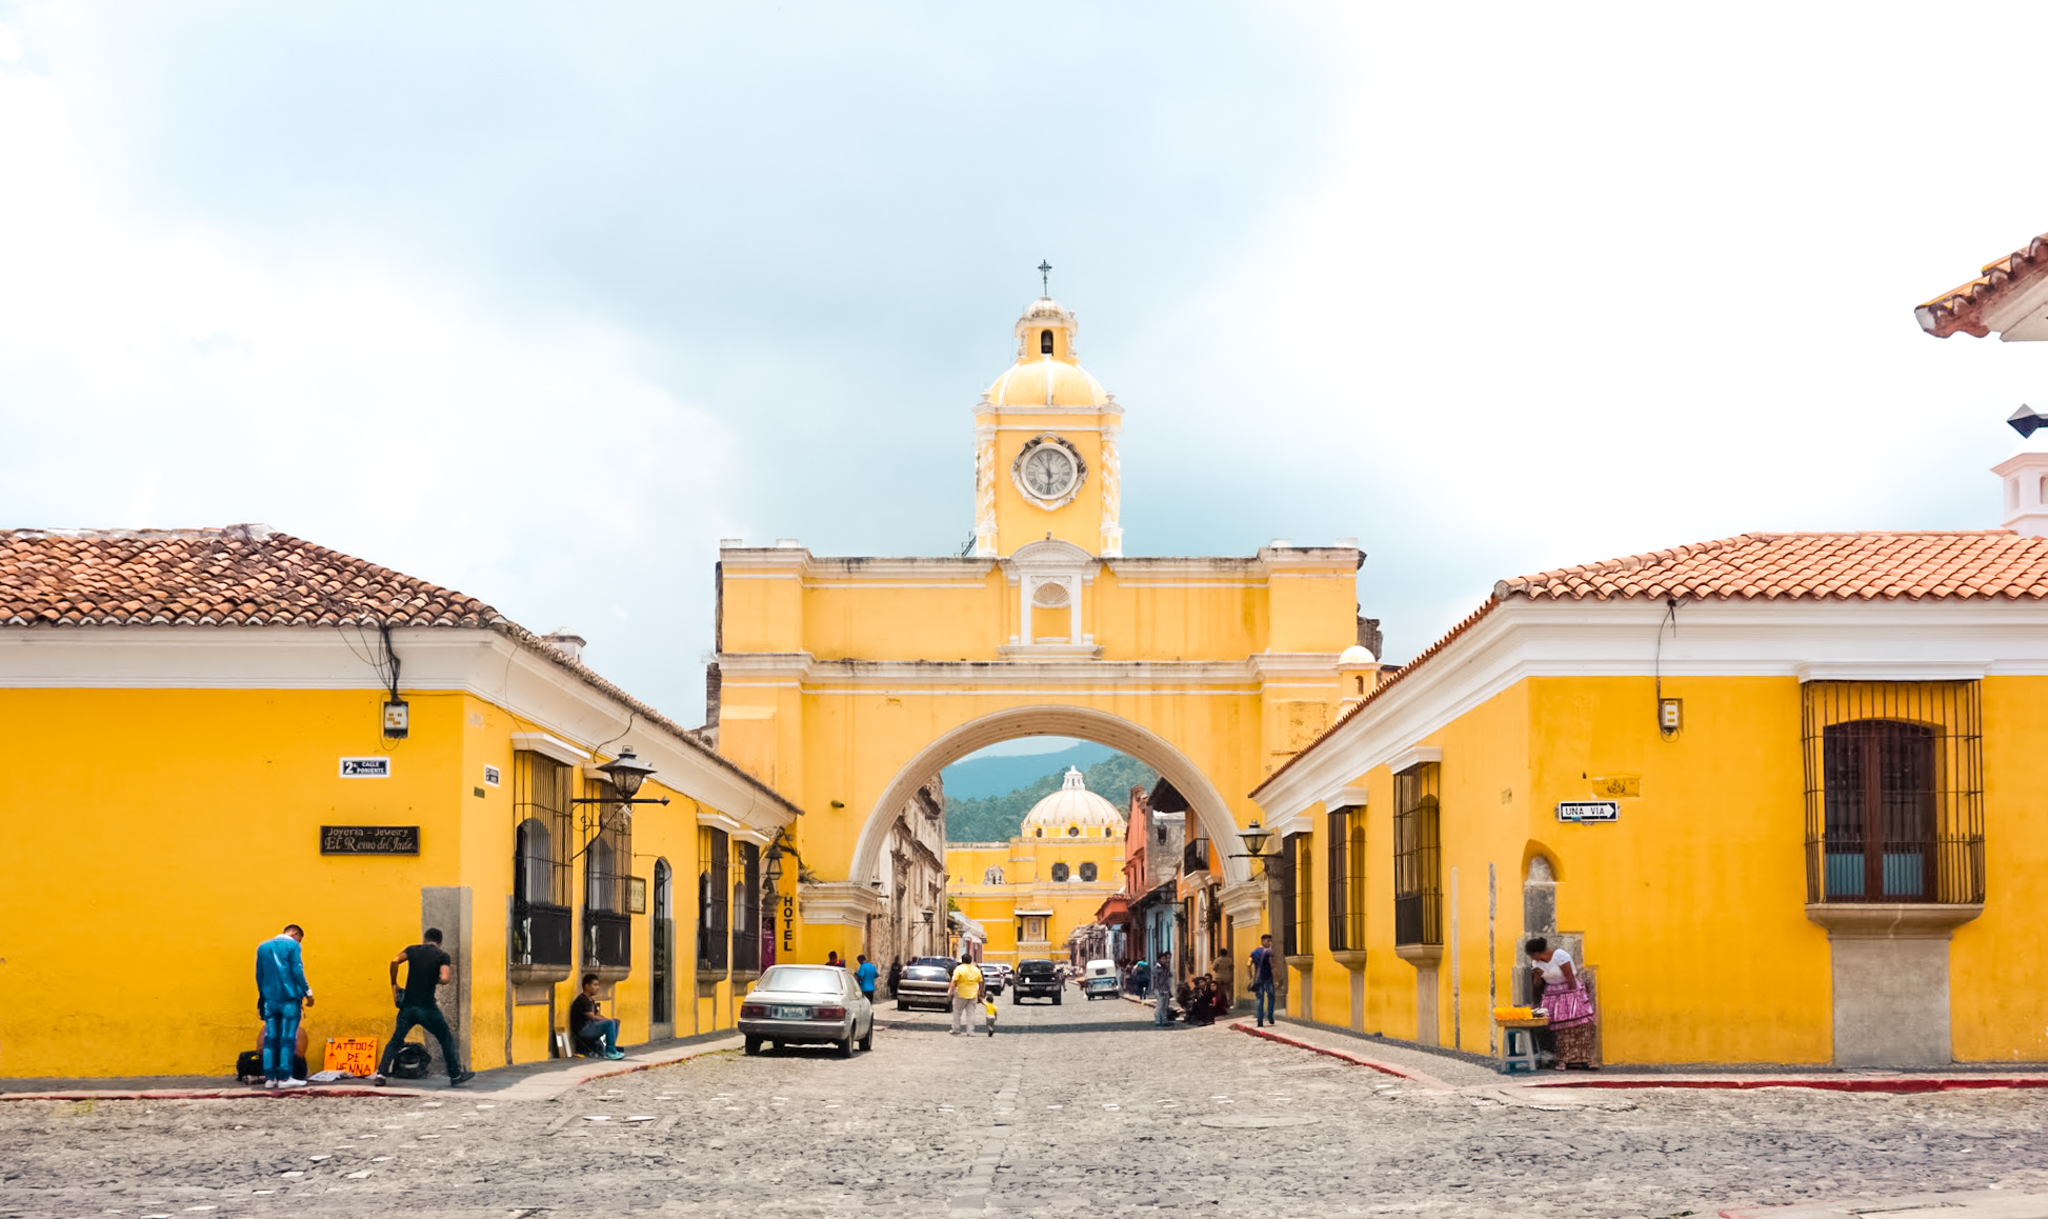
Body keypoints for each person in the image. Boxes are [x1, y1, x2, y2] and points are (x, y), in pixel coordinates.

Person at [375, 928, 473, 1087]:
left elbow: (394, 961)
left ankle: (381, 1074)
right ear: (440, 942)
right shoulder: (442, 956)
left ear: (424, 939)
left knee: (396, 1040)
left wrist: (394, 983)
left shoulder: (412, 949)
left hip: (407, 1008)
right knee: (445, 1038)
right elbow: (445, 978)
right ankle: (455, 1075)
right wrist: (437, 978)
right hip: (428, 1008)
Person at [254, 924, 314, 1090]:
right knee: (288, 1037)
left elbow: (259, 974)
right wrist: (308, 993)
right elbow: (297, 971)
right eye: (299, 939)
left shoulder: (263, 947)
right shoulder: (292, 945)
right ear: (295, 933)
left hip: (269, 1000)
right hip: (289, 998)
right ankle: (285, 1076)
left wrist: (262, 996)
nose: (299, 943)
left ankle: (270, 1077)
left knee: (270, 1037)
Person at [1527, 937, 1598, 1069]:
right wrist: (1537, 977)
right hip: (1552, 994)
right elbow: (1538, 985)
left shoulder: (1560, 955)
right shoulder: (1536, 964)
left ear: (1538, 952)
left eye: (1532, 954)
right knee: (1560, 1028)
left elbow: (1569, 976)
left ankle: (1586, 1058)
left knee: (1580, 1025)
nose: (1532, 958)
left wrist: (1571, 999)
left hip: (1569, 990)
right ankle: (1563, 1059)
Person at [569, 973, 625, 1060]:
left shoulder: (590, 1000)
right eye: (595, 985)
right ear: (587, 986)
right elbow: (592, 1016)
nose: (597, 987)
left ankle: (609, 1048)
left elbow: (597, 1014)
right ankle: (610, 1052)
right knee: (610, 1023)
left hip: (590, 1026)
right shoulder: (582, 999)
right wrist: (608, 1022)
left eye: (598, 985)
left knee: (615, 1022)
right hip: (583, 1030)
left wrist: (610, 1021)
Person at [948, 953, 983, 1036]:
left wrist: (950, 990)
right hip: (973, 994)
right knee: (971, 1014)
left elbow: (954, 980)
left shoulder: (959, 969)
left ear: (962, 960)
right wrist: (980, 993)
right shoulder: (976, 970)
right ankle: (970, 1031)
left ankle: (956, 1029)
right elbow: (981, 983)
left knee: (957, 1012)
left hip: (961, 993)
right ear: (971, 960)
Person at [1249, 934, 1277, 1027]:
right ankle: (1270, 1015)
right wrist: (1275, 979)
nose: (1269, 943)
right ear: (1263, 941)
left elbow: (1248, 964)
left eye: (1270, 941)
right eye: (1268, 941)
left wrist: (1251, 977)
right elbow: (1272, 966)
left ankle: (1260, 1020)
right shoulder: (1269, 953)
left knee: (1259, 1000)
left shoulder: (1254, 953)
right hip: (1268, 978)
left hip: (1258, 979)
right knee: (1271, 997)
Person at [1151, 951, 1173, 1028]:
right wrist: (1159, 989)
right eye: (1163, 959)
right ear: (1159, 959)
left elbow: (1170, 975)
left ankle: (1164, 1020)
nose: (1165, 960)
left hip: (1166, 989)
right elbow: (1155, 980)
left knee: (1165, 1006)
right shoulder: (1156, 968)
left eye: (1166, 959)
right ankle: (1157, 1020)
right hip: (1159, 989)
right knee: (1160, 1006)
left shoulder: (1165, 967)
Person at [1211, 949, 1235, 1017]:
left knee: (1219, 991)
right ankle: (1228, 1002)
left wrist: (1218, 971)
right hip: (1227, 976)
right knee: (1228, 990)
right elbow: (1232, 967)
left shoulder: (1217, 960)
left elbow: (1214, 967)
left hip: (1219, 977)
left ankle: (1220, 1003)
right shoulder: (1229, 960)